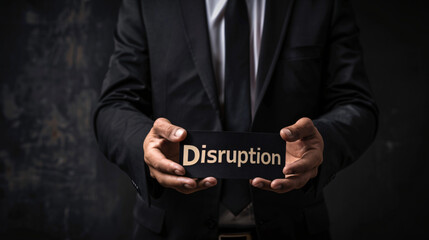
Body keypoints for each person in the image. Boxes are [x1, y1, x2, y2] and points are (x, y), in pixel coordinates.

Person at [93, 0, 378, 239]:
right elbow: (115, 104)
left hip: (293, 228)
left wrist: (323, 143)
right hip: (172, 229)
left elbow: (356, 104)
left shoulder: (320, 4)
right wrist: (144, 144)